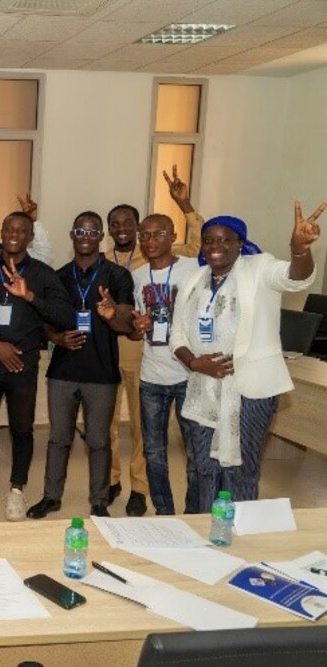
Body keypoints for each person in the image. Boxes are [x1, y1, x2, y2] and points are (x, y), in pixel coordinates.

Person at [171, 203, 321, 506]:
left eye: (226, 239)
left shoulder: (259, 268)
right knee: (203, 467)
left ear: (240, 243)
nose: (216, 246)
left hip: (250, 389)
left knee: (241, 469)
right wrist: (194, 362)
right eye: (210, 240)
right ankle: (205, 528)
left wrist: (299, 249)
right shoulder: (193, 279)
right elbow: (177, 334)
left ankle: (239, 537)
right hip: (203, 389)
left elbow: (295, 278)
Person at [104, 165, 203, 515]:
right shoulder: (124, 270)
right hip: (119, 353)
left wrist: (185, 204)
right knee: (110, 427)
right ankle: (112, 479)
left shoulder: (181, 263)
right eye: (115, 225)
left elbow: (201, 242)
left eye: (129, 225)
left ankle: (140, 489)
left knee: (149, 437)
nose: (124, 230)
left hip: (158, 361)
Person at [27, 212, 134, 519]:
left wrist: (111, 313)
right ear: (72, 235)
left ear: (102, 236)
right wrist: (56, 338)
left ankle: (99, 500)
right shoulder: (57, 277)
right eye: (80, 231)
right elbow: (43, 322)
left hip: (101, 373)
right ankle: (51, 496)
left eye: (92, 231)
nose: (86, 236)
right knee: (58, 439)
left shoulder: (117, 276)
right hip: (62, 372)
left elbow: (127, 324)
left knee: (99, 441)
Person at [0, 211, 73, 520]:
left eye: (21, 230)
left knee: (22, 429)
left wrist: (29, 296)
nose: (14, 233)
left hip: (22, 368)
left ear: (30, 237)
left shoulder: (41, 274)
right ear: (0, 232)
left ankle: (17, 489)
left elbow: (64, 317)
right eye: (9, 228)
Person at [127, 214, 201, 515]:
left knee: (195, 451)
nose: (150, 241)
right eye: (144, 235)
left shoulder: (193, 269)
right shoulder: (138, 276)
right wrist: (139, 326)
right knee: (153, 452)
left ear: (173, 235)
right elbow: (133, 330)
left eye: (158, 234)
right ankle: (164, 512)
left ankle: (195, 512)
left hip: (187, 374)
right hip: (152, 377)